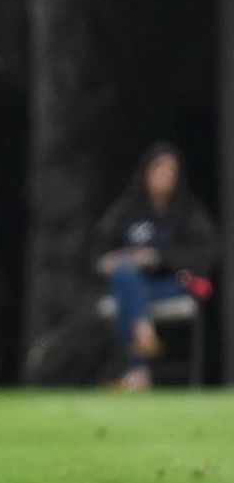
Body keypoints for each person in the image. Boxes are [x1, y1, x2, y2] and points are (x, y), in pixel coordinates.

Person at [92, 143, 219, 391]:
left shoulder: (187, 210)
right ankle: (143, 337)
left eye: (171, 171)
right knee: (125, 273)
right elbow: (98, 250)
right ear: (146, 173)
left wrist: (157, 257)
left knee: (127, 285)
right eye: (159, 169)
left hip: (174, 283)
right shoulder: (127, 209)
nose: (164, 176)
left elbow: (206, 252)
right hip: (133, 283)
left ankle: (138, 368)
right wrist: (110, 261)